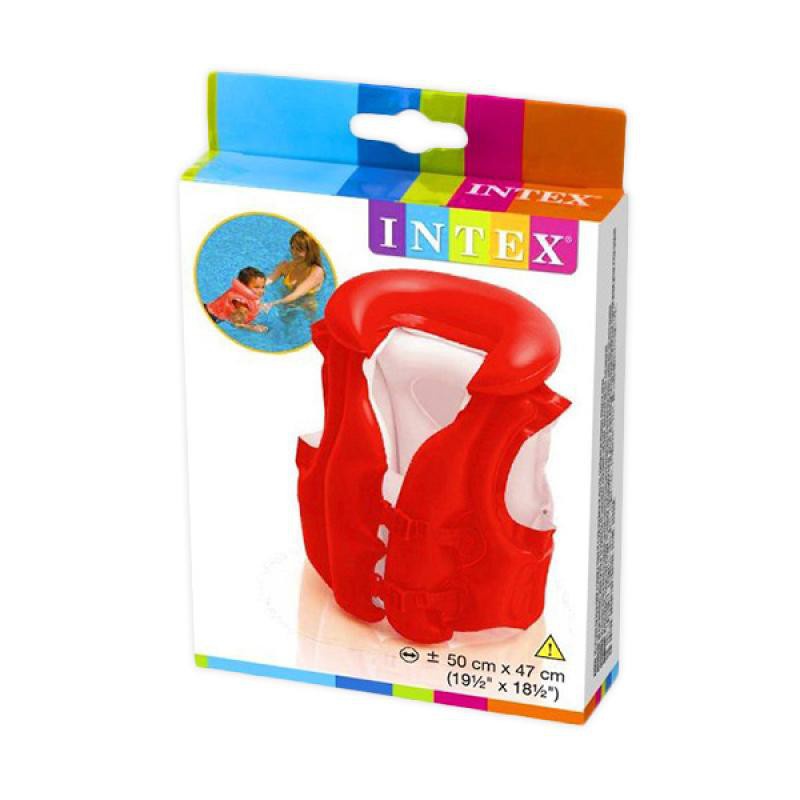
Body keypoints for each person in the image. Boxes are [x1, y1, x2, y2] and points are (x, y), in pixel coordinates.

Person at [262, 230, 325, 312]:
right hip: (285, 302)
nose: (294, 252)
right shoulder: (285, 266)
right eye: (292, 247)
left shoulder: (317, 271)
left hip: (305, 308)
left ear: (310, 252)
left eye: (299, 249)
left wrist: (272, 303)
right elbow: (268, 281)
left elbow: (297, 294)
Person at [205, 266, 268, 332]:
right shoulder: (241, 304)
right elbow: (236, 323)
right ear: (244, 286)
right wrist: (252, 327)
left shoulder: (242, 293)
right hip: (211, 316)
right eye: (256, 287)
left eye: (263, 287)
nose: (261, 291)